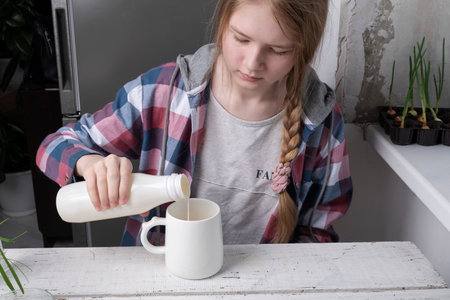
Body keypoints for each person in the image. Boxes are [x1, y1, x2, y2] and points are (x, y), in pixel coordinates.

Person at [36, 0, 352, 245]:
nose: (253, 63)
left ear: (304, 49)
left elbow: (318, 235)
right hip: (163, 280)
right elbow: (54, 146)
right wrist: (90, 164)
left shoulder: (321, 123)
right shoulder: (159, 94)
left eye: (278, 50)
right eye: (241, 39)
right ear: (222, 23)